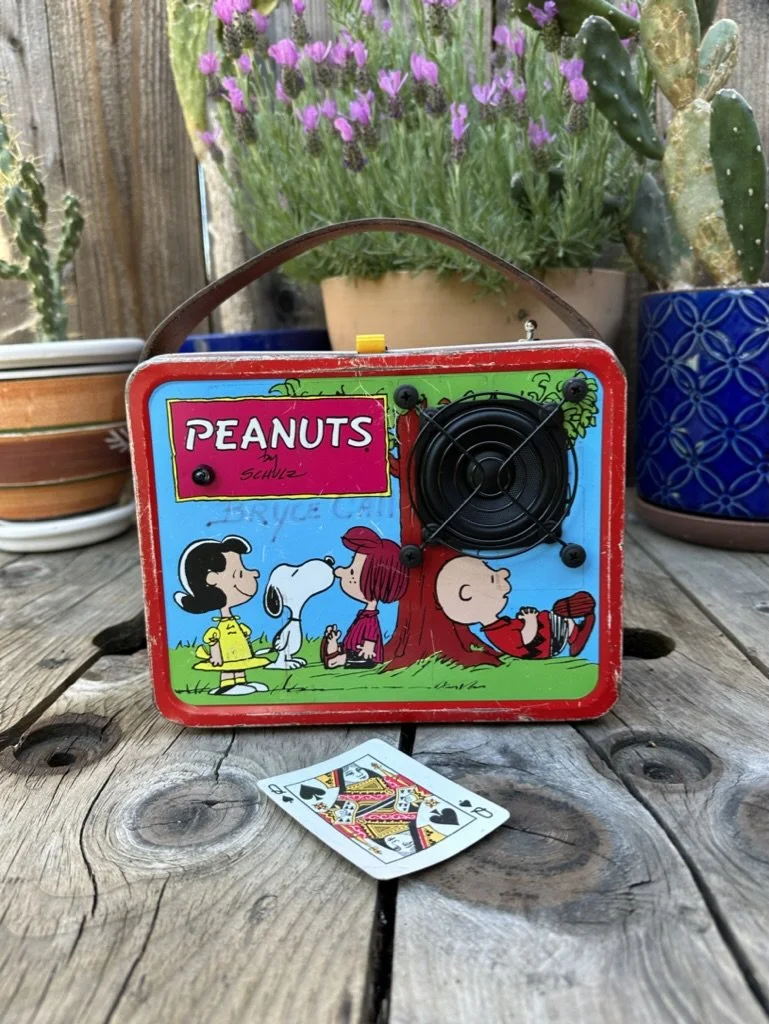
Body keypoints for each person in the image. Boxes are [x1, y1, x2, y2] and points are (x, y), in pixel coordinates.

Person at [435, 555, 595, 660]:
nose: (504, 572)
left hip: (544, 639)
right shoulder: (496, 632)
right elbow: (525, 639)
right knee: (560, 618)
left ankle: (575, 632)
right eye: (492, 578)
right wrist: (531, 620)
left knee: (555, 615)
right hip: (547, 643)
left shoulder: (496, 627)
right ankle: (576, 637)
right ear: (468, 594)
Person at [174, 535, 270, 695]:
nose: (254, 573)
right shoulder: (220, 628)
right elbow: (214, 640)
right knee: (228, 664)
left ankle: (241, 682)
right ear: (212, 579)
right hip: (225, 653)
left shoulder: (232, 621)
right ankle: (226, 686)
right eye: (239, 573)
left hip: (238, 650)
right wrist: (216, 655)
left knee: (239, 663)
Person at [320, 526, 408, 669]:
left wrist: (368, 648)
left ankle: (339, 658)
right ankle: (335, 649)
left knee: (359, 659)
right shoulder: (365, 614)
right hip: (355, 647)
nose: (339, 572)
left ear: (374, 582)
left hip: (364, 653)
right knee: (344, 649)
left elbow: (372, 634)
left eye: (352, 571)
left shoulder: (370, 617)